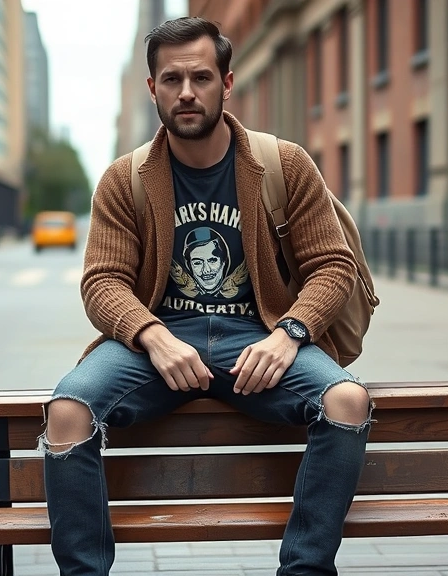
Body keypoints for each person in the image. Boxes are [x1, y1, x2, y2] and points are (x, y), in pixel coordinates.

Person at [38, 16, 373, 576]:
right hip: (159, 347)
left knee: (347, 402)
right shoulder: (125, 180)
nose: (187, 92)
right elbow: (102, 282)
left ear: (227, 81)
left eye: (200, 77)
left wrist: (290, 333)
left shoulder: (283, 164)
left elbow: (333, 267)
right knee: (69, 410)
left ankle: (305, 570)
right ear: (152, 89)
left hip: (260, 341)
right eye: (171, 79)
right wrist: (152, 335)